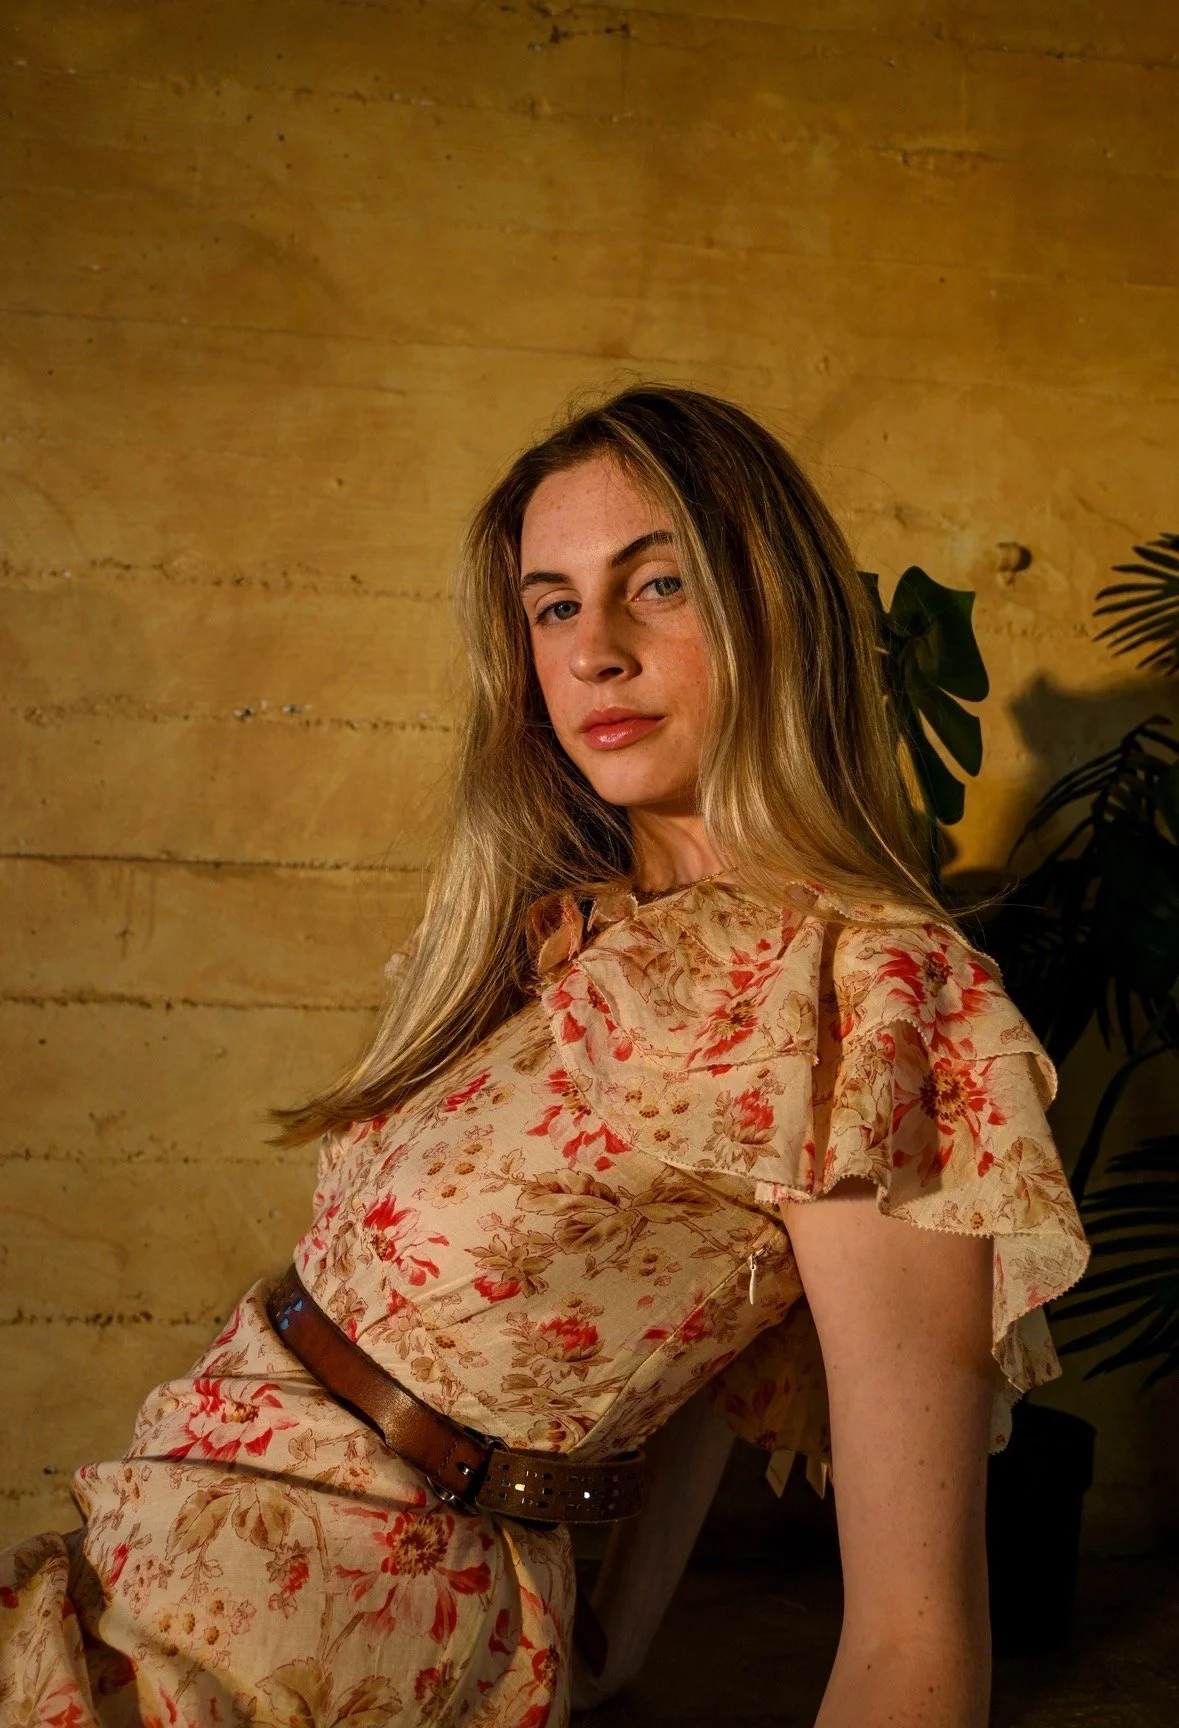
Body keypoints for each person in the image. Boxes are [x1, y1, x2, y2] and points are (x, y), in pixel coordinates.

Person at [0, 385, 1088, 1728]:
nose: (595, 654)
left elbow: (915, 1632)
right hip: (167, 1531)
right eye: (554, 605)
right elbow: (701, 1342)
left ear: (777, 606)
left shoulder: (867, 997)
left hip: (328, 1623)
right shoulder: (542, 931)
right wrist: (608, 1647)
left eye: (659, 585)